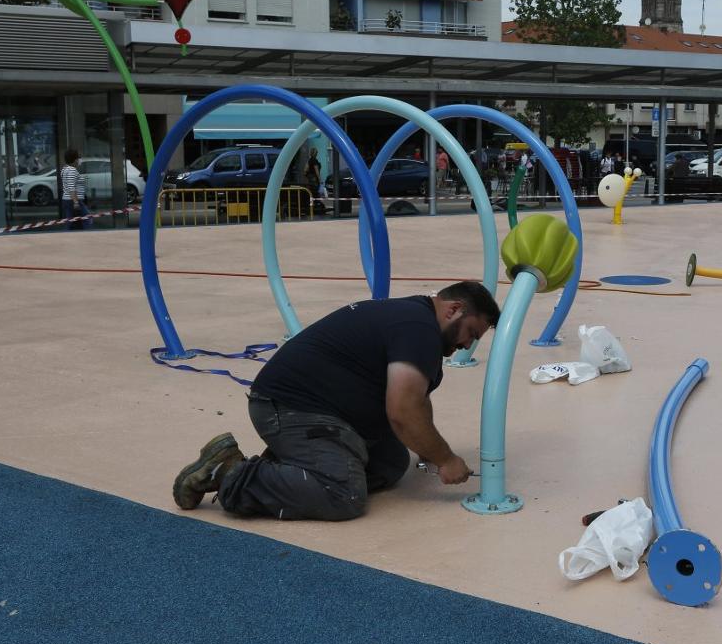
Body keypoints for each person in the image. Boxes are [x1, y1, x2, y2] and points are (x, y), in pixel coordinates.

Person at [172, 281, 500, 521]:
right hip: (291, 408)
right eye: (470, 332)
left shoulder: (413, 320)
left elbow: (417, 399)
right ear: (453, 309)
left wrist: (430, 449)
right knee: (343, 494)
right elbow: (402, 410)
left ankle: (294, 468)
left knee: (390, 462)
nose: (467, 344)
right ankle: (229, 472)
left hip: (323, 409)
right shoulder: (419, 330)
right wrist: (445, 459)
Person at [60, 148, 91, 230]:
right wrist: (76, 202)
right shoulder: (72, 170)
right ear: (74, 159)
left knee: (70, 222)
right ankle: (89, 236)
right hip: (73, 200)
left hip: (67, 199)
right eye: (78, 158)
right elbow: (71, 187)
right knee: (87, 219)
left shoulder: (65, 169)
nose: (80, 160)